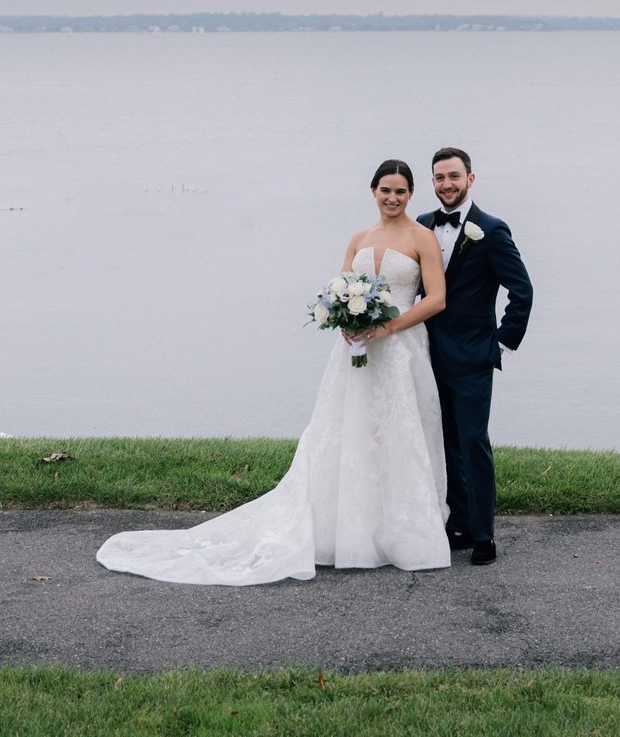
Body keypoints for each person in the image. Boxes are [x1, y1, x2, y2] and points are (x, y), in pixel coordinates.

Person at [95, 159, 452, 585]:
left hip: (400, 351)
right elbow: (341, 286)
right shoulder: (359, 237)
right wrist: (345, 321)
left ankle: (399, 532)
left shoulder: (422, 237)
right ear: (372, 191)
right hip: (355, 350)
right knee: (347, 430)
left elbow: (436, 299)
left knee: (397, 432)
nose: (392, 198)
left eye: (400, 191)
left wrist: (387, 327)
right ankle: (345, 529)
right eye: (385, 190)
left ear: (411, 194)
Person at [419, 146, 533, 564]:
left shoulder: (492, 229)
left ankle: (484, 535)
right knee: (445, 444)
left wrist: (500, 343)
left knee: (473, 442)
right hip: (428, 354)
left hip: (472, 357)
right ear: (432, 183)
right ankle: (460, 525)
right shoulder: (423, 225)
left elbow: (522, 290)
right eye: (439, 178)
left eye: (453, 176)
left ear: (470, 179)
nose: (446, 184)